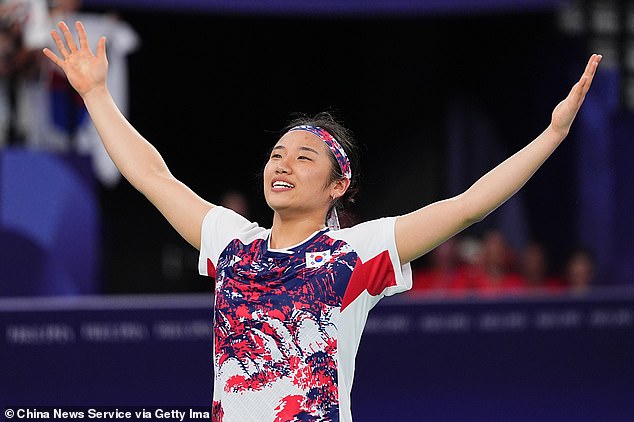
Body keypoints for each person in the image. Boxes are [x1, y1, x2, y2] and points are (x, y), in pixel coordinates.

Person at [43, 20, 601, 422]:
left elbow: (469, 204)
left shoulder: (358, 253)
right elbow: (152, 176)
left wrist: (551, 136)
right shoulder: (232, 244)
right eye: (277, 154)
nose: (282, 163)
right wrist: (95, 95)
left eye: (303, 157)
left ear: (338, 186)